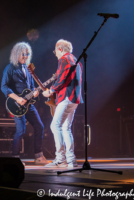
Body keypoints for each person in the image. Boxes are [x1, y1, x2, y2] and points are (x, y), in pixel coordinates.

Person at [1, 42, 47, 165]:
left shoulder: (28, 68)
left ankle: (38, 156)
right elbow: (4, 87)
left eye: (27, 54)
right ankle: (15, 158)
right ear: (17, 54)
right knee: (21, 130)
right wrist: (17, 98)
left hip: (29, 104)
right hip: (17, 105)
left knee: (39, 126)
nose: (26, 56)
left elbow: (31, 87)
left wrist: (34, 93)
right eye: (23, 54)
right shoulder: (10, 68)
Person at [42, 39, 83, 168]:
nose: (55, 54)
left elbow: (62, 78)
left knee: (55, 126)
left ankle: (60, 159)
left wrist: (51, 91)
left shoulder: (64, 59)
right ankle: (71, 160)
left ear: (60, 49)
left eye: (55, 51)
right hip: (75, 99)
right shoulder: (76, 60)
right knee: (66, 128)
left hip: (66, 97)